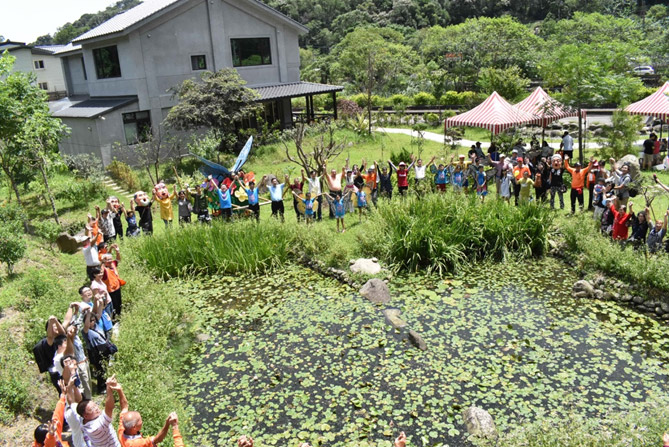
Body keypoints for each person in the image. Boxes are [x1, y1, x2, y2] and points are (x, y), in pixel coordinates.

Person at [113, 380, 177, 447]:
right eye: (140, 420)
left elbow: (124, 408)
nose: (142, 421)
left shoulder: (122, 431)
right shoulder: (138, 443)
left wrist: (119, 390)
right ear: (134, 427)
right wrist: (167, 424)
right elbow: (157, 440)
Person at [77, 375, 121, 447]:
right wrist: (109, 387)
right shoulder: (97, 427)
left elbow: (73, 403)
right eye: (92, 409)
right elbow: (109, 408)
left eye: (95, 405)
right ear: (86, 416)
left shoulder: (82, 421)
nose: (97, 408)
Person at [33, 316, 67, 395]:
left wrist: (55, 321)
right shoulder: (48, 342)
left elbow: (63, 332)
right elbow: (50, 336)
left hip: (65, 367)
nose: (55, 327)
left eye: (56, 325)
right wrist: (51, 322)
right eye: (52, 327)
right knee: (63, 392)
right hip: (56, 372)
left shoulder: (61, 338)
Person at [34, 379, 70, 447]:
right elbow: (49, 444)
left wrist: (63, 395)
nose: (55, 433)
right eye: (53, 433)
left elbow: (57, 415)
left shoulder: (54, 431)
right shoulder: (48, 442)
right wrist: (50, 435)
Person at [101, 245, 124, 320]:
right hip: (110, 291)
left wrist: (117, 252)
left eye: (110, 259)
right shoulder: (104, 269)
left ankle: (119, 317)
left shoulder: (113, 264)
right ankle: (114, 320)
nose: (110, 261)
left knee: (119, 304)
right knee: (114, 306)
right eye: (107, 260)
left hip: (117, 288)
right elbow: (100, 268)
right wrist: (102, 262)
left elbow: (118, 260)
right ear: (104, 261)